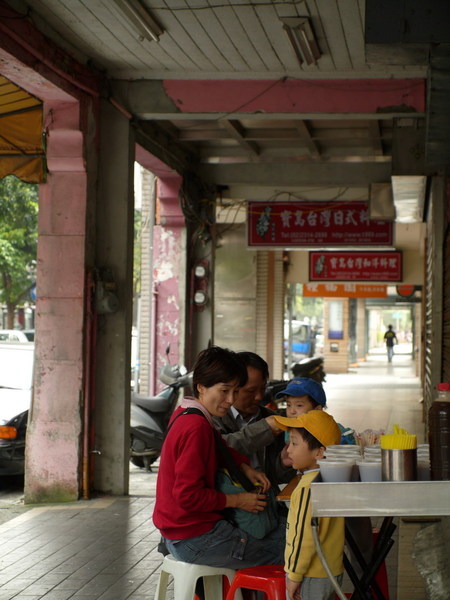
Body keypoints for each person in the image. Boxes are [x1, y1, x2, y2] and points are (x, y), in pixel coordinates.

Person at [153, 345, 285, 569]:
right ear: (201, 386)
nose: (230, 399)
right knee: (297, 549)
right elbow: (188, 496)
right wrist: (238, 500)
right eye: (224, 391)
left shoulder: (188, 412)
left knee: (288, 533)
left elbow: (218, 446)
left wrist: (244, 466)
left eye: (235, 391)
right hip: (195, 538)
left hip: (179, 533)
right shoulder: (196, 428)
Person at [273, 409, 344, 600]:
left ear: (319, 452)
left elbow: (304, 536)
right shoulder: (329, 479)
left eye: (295, 443)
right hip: (330, 569)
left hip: (311, 574)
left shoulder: (307, 489)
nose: (288, 450)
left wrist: (294, 575)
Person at [213, 351, 296, 489]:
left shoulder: (270, 418)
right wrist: (263, 430)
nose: (259, 397)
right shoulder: (215, 418)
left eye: (263, 389)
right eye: (251, 391)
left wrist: (283, 464)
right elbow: (218, 450)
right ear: (233, 388)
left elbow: (277, 478)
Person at [276, 377, 356, 445]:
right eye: (288, 405)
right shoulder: (288, 429)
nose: (292, 411)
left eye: (299, 405)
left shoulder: (332, 430)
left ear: (318, 410)